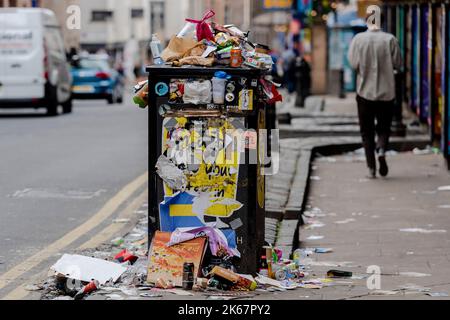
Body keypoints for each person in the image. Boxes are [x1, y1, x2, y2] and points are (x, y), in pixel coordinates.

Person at [347, 12, 402, 179]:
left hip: (365, 92)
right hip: (387, 93)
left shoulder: (358, 39)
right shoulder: (390, 39)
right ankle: (382, 149)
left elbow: (353, 63)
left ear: (367, 21)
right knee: (384, 128)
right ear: (382, 21)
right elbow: (398, 64)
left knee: (366, 131)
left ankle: (371, 168)